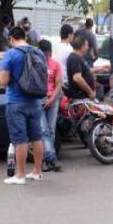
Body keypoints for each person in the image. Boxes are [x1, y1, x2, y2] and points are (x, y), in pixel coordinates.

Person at [0, 26, 46, 185]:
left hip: (16, 101)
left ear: (11, 38)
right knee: (37, 137)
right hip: (35, 101)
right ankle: (37, 171)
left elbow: (3, 81)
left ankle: (19, 175)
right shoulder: (38, 52)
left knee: (20, 139)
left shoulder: (10, 54)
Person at [37, 38, 63, 173]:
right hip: (38, 99)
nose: (47, 56)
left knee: (51, 130)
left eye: (48, 53)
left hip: (52, 99)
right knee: (44, 130)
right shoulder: (34, 65)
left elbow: (59, 83)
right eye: (44, 54)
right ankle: (51, 158)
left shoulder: (55, 65)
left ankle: (47, 160)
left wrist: (52, 99)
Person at [64, 35, 96, 100]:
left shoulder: (78, 57)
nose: (87, 48)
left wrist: (101, 68)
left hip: (83, 97)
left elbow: (86, 71)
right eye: (87, 45)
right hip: (80, 97)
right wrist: (90, 92)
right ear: (82, 46)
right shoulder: (75, 58)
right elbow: (77, 78)